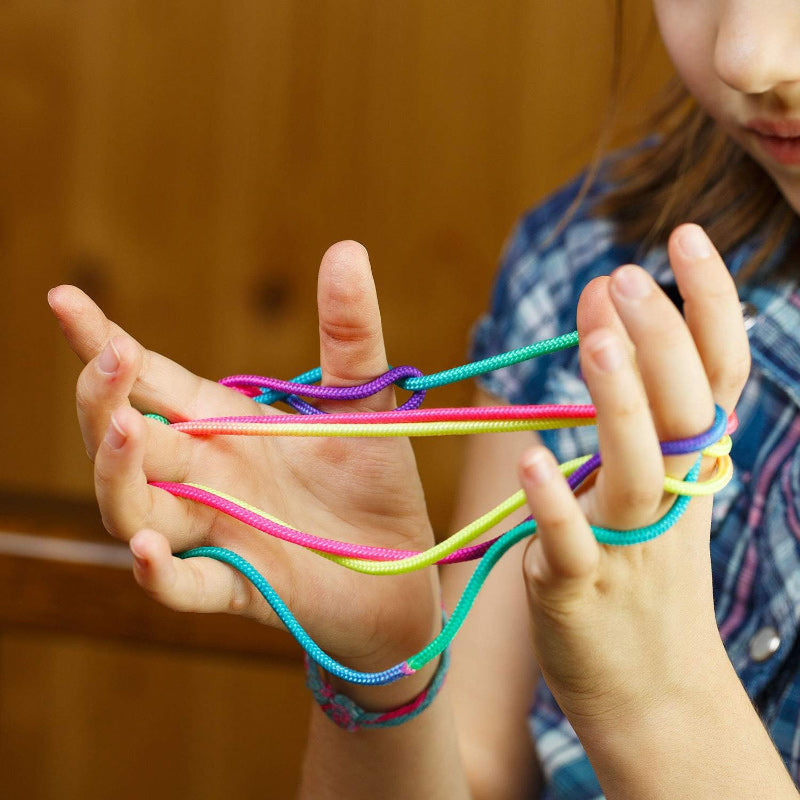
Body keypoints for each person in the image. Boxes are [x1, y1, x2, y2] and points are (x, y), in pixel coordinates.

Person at [47, 1, 800, 797]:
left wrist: (656, 707)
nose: (747, 55)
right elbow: (473, 767)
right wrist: (385, 664)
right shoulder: (594, 259)